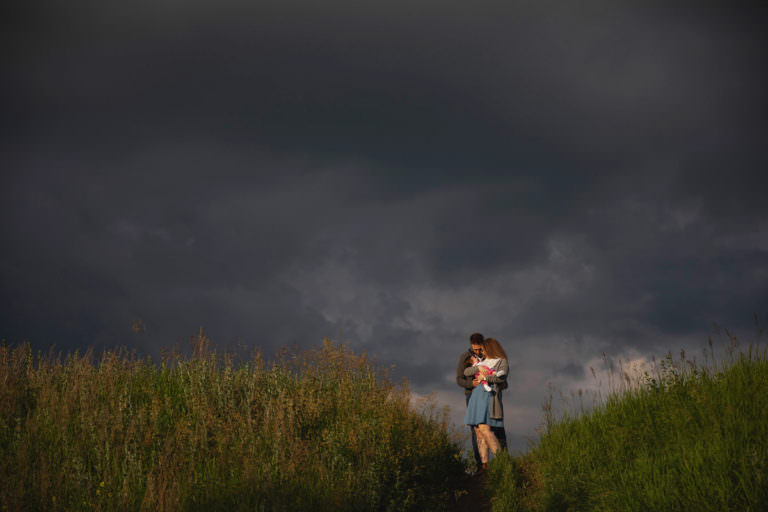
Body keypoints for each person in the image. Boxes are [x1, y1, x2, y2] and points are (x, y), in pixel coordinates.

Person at [456, 333, 507, 470]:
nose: (478, 351)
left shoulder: (490, 357)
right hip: (472, 394)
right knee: (476, 430)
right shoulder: (465, 357)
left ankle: (502, 461)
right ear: (471, 345)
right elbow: (459, 378)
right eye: (475, 349)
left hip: (489, 395)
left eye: (480, 348)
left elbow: (502, 379)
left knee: (494, 428)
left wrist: (495, 382)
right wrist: (471, 384)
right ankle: (481, 465)